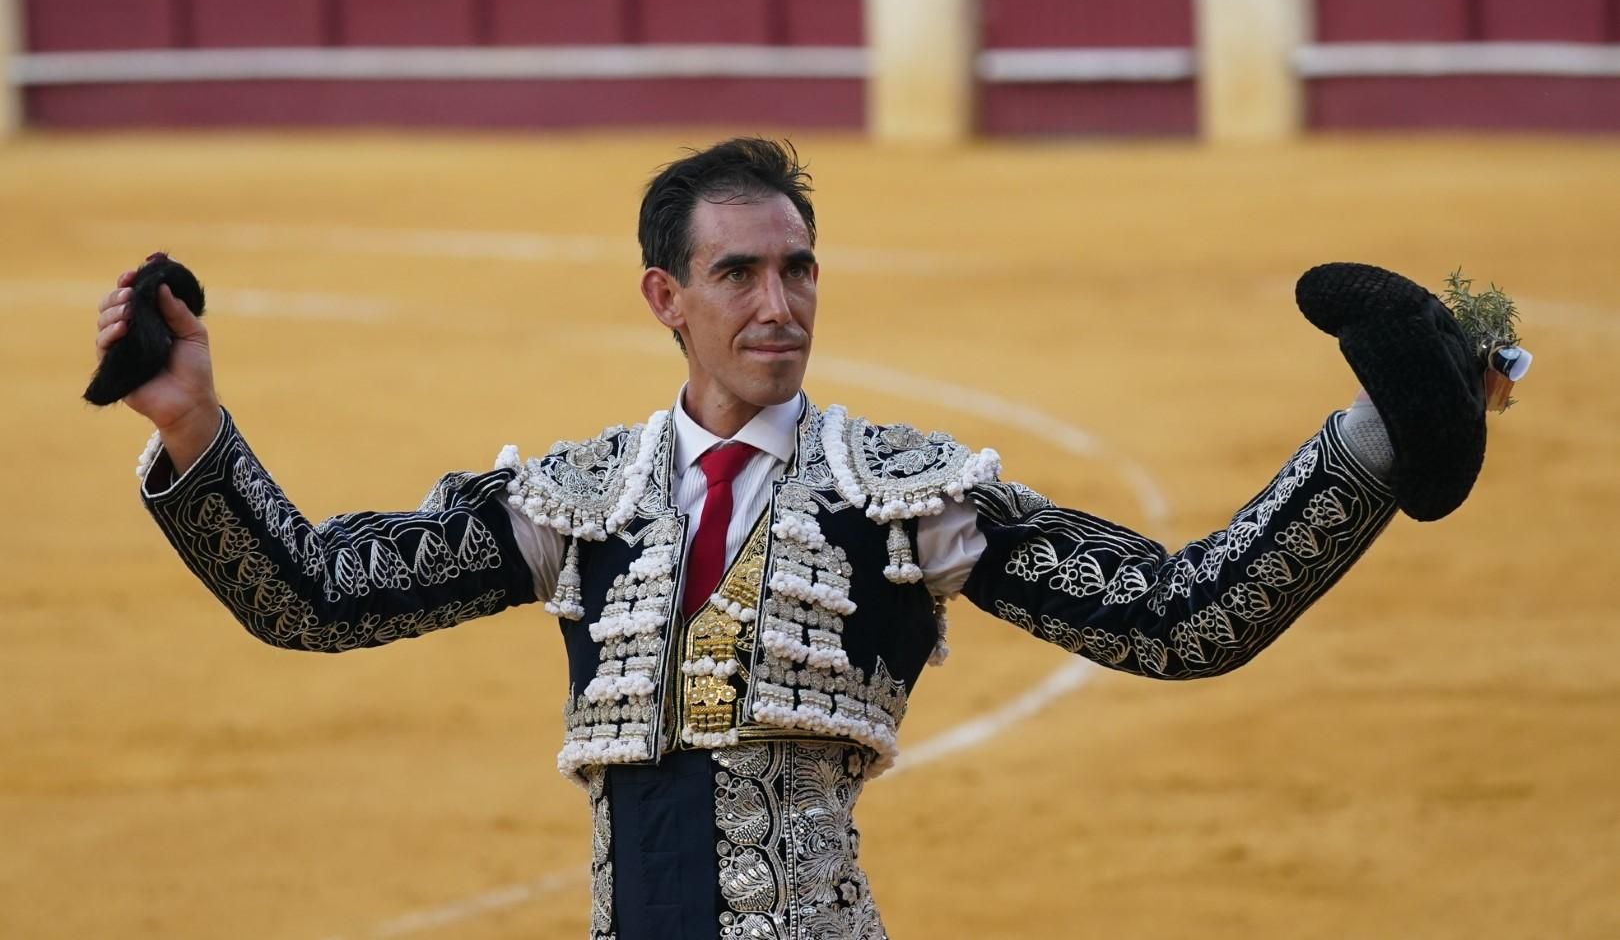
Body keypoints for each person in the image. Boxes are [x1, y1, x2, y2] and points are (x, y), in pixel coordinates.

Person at [95, 137, 1467, 940]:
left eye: (798, 267)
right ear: (664, 297)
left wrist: (1379, 439)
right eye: (738, 273)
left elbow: (1179, 617)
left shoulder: (906, 497)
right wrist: (196, 426)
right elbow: (318, 597)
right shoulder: (578, 503)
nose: (778, 303)